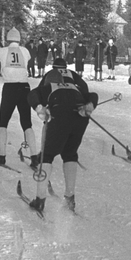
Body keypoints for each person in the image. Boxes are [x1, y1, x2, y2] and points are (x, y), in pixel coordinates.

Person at [27, 54, 100, 213]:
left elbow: (32, 94)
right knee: (70, 153)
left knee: (47, 155)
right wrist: (89, 105)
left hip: (60, 114)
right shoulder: (74, 85)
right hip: (80, 117)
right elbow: (92, 94)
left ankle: (40, 199)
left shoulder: (50, 85)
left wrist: (40, 108)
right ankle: (70, 198)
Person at [0, 28, 36, 165]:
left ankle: (2, 156)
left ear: (8, 39)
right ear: (18, 39)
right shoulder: (25, 51)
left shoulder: (3, 51)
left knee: (3, 122)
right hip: (24, 87)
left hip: (10, 88)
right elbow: (28, 59)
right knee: (27, 123)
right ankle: (34, 157)